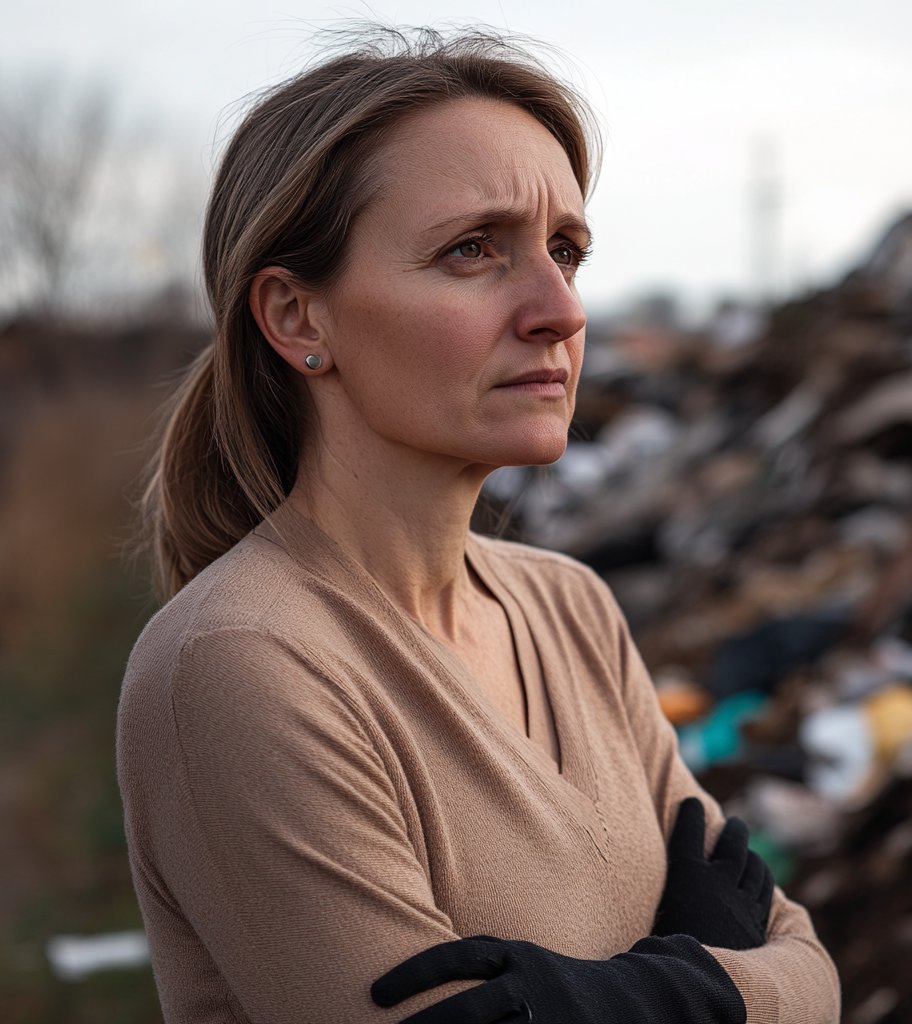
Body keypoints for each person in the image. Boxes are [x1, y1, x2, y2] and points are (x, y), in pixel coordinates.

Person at [117, 26, 841, 1024]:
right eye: (472, 250)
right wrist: (715, 980)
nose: (558, 309)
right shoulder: (244, 660)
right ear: (297, 317)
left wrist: (617, 1000)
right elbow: (779, 979)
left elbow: (818, 974)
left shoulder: (570, 607)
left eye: (566, 251)